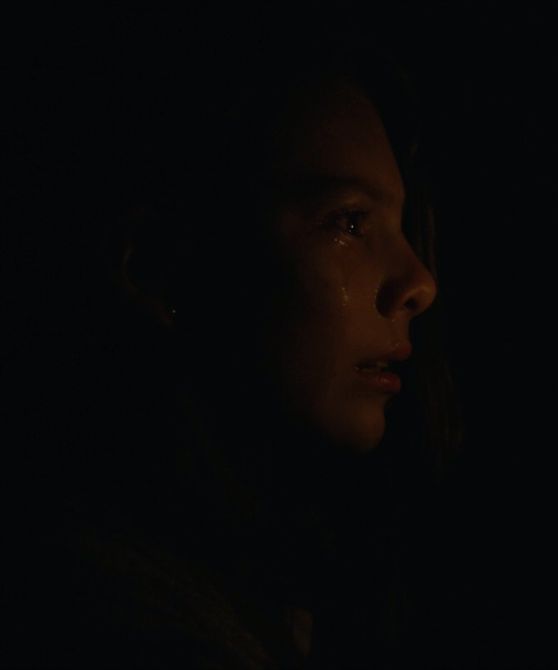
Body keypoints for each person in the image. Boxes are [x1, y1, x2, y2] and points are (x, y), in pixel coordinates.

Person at [1, 20, 456, 668]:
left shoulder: (290, 596)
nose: (419, 283)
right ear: (160, 268)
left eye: (401, 225)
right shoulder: (104, 618)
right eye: (351, 222)